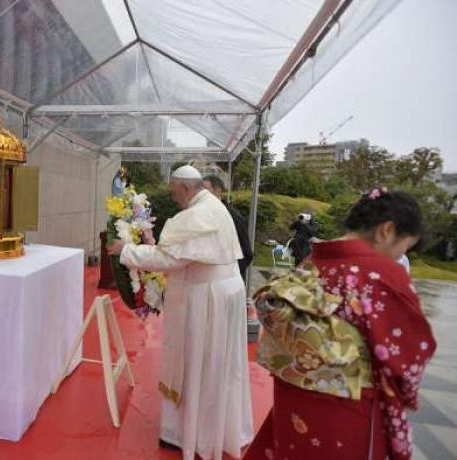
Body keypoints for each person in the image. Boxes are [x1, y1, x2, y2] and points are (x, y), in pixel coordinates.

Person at [249, 188, 436, 459]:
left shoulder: (311, 262)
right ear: (387, 230)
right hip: (348, 402)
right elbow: (409, 353)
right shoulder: (381, 274)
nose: (399, 258)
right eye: (402, 247)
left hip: (293, 391)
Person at [107, 165, 254, 460]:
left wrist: (125, 250)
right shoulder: (213, 205)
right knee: (218, 364)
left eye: (175, 194)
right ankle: (211, 429)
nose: (175, 200)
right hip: (224, 292)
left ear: (186, 188)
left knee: (199, 363)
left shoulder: (196, 216)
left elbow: (168, 258)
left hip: (206, 299)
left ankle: (193, 434)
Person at [203, 175, 253, 283]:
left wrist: (229, 274)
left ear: (218, 191)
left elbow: (246, 252)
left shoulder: (231, 215)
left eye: (205, 190)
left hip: (229, 281)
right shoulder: (207, 214)